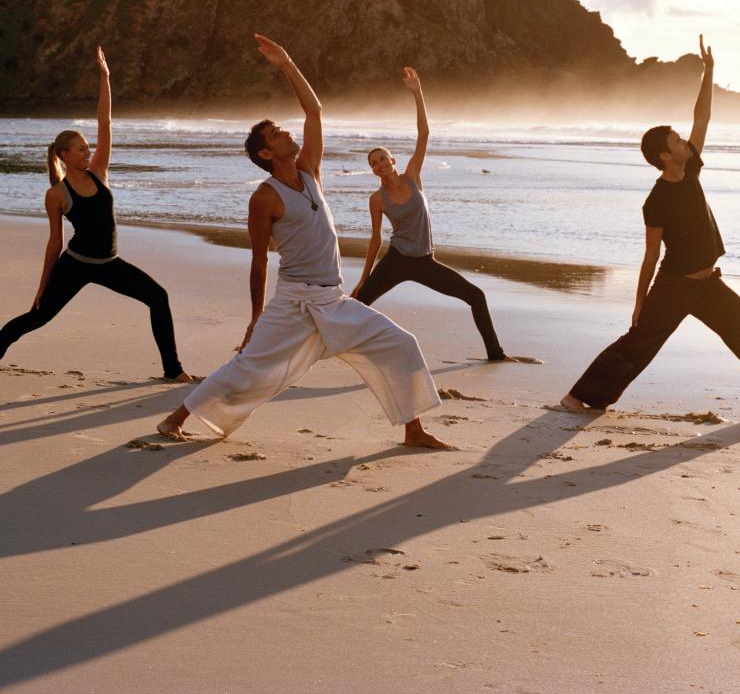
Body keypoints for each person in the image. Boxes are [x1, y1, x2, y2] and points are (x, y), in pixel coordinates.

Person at [158, 36, 450, 448]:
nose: (286, 133)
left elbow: (314, 110)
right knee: (249, 367)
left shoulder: (310, 170)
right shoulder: (264, 197)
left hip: (334, 299)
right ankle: (176, 418)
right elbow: (259, 261)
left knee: (401, 344)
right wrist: (255, 315)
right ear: (265, 152)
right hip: (294, 302)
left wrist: (287, 62)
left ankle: (413, 430)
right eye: (276, 134)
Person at [561, 35, 740, 412]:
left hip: (706, 282)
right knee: (639, 343)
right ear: (665, 155)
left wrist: (709, 72)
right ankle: (578, 397)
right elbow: (650, 255)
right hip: (674, 286)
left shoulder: (690, 171)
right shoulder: (655, 200)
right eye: (677, 140)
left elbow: (702, 117)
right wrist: (640, 301)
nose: (684, 141)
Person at [0, 46, 195, 383]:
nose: (87, 151)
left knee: (157, 297)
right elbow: (54, 243)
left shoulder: (99, 172)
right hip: (75, 265)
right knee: (38, 316)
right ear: (63, 155)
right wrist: (42, 286)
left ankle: (173, 370)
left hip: (109, 264)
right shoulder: (57, 194)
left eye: (87, 147)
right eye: (80, 149)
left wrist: (105, 78)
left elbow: (105, 122)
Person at [352, 67, 538, 363]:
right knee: (356, 304)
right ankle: (325, 345)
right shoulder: (377, 199)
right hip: (397, 260)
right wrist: (364, 279)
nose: (380, 164)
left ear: (392, 160)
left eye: (383, 159)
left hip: (425, 262)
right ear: (373, 169)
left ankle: (496, 354)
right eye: (374, 163)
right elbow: (375, 241)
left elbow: (424, 133)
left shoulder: (413, 176)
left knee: (476, 296)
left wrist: (417, 93)